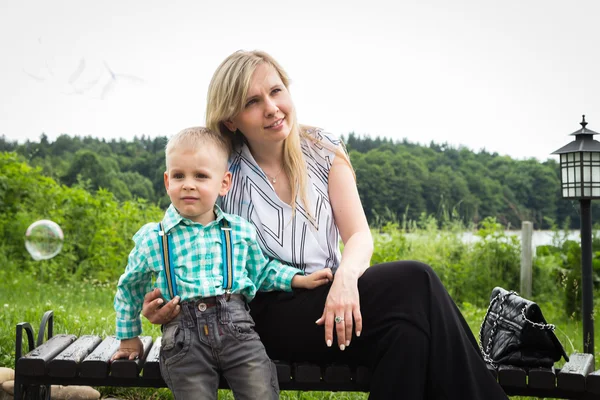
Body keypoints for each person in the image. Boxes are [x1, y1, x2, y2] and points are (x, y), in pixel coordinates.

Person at [142, 51, 509, 399]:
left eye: (275, 91)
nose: (272, 108)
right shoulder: (222, 169)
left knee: (408, 334)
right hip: (255, 318)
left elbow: (359, 235)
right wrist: (162, 300)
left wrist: (347, 282)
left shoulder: (323, 148)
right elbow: (177, 238)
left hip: (332, 301)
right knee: (417, 280)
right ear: (230, 119)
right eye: (253, 102)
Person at [112, 126, 333, 400]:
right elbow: (129, 288)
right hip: (183, 338)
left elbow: (261, 271)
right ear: (167, 182)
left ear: (224, 183)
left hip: (238, 332)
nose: (188, 184)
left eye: (201, 176)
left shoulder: (238, 231)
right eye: (179, 176)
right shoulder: (154, 237)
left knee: (261, 392)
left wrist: (298, 279)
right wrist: (128, 336)